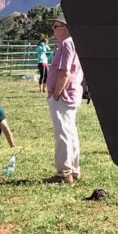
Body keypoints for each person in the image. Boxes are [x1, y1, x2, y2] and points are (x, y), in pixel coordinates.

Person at [45, 13, 84, 184]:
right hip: (72, 93)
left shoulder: (67, 44)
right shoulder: (74, 43)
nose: (53, 30)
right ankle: (73, 170)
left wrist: (56, 93)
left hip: (64, 94)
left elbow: (64, 72)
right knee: (70, 132)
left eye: (56, 26)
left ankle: (64, 172)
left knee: (63, 133)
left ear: (65, 28)